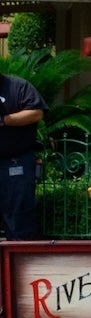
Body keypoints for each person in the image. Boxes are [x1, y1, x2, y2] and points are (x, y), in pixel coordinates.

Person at [0, 70, 46, 240]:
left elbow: (37, 112)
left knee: (18, 221)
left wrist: (4, 120)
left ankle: (21, 263)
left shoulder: (18, 86)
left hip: (15, 164)